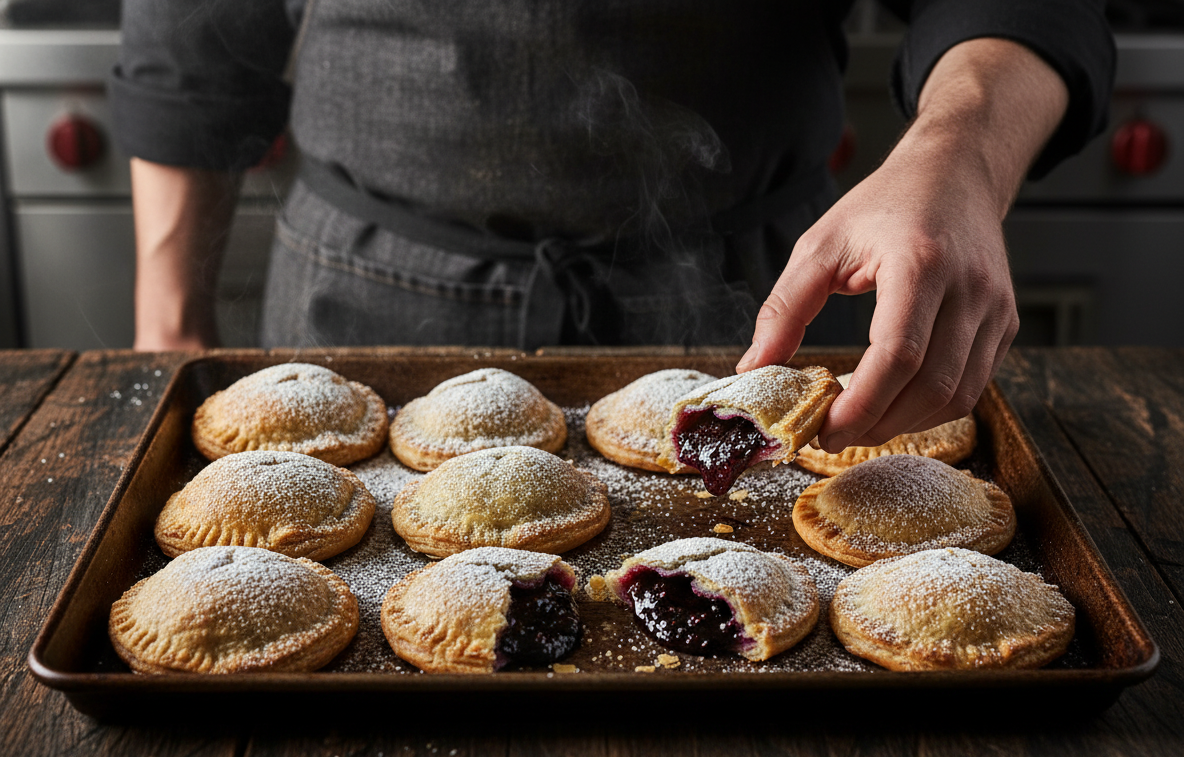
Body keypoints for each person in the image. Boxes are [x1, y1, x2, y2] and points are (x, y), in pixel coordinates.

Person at [112, 0, 1114, 453]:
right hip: (362, 300)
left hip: (760, 305)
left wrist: (960, 149)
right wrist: (169, 323)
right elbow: (192, 38)